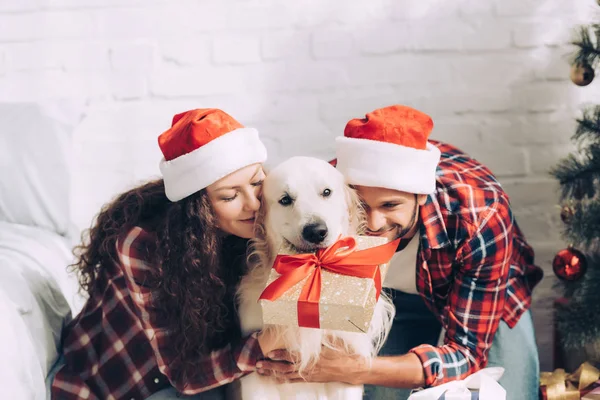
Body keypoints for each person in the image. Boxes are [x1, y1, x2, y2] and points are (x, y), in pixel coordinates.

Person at [256, 105, 544, 400]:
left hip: (483, 295)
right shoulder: (325, 189)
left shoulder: (480, 216)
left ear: (421, 194)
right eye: (362, 205)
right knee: (383, 395)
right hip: (390, 299)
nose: (373, 223)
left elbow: (466, 354)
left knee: (513, 394)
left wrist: (354, 368)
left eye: (390, 205)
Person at [47, 108, 282, 400]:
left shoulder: (263, 218)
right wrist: (263, 345)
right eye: (229, 196)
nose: (254, 204)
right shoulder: (144, 244)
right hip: (128, 380)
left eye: (257, 181)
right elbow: (182, 374)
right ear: (198, 208)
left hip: (214, 366)